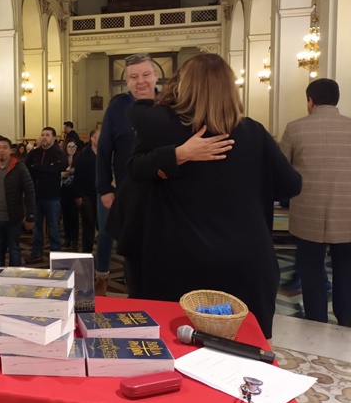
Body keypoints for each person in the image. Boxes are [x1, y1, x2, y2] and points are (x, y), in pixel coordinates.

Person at [127, 53, 302, 339]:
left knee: (176, 346)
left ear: (184, 87)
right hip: (245, 258)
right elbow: (291, 186)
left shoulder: (164, 130)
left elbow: (135, 166)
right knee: (243, 349)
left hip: (181, 258)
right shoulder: (254, 132)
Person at [280, 78, 351, 327]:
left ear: (310, 101)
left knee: (310, 271)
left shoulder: (295, 128)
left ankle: (316, 322)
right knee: (346, 271)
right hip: (347, 214)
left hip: (307, 214)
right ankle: (347, 322)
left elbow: (283, 171)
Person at [96, 53, 158, 294]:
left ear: (155, 76)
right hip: (127, 192)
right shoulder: (117, 108)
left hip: (163, 193)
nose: (140, 81)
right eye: (134, 77)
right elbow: (104, 150)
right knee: (131, 250)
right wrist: (104, 188)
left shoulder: (170, 104)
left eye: (146, 74)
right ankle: (136, 296)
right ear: (127, 81)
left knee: (160, 251)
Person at [0, 137, 35, 268]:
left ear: (10, 150)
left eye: (5, 148)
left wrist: (30, 216)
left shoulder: (19, 167)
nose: (1, 150)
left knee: (14, 249)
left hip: (13, 218)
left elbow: (30, 191)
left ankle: (14, 278)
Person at [25, 126, 64, 264]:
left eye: (47, 135)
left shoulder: (58, 153)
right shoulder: (34, 153)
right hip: (36, 195)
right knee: (37, 227)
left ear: (53, 138)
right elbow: (27, 170)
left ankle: (56, 256)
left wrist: (39, 168)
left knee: (53, 227)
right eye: (42, 135)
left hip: (52, 196)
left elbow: (56, 169)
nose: (44, 137)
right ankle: (36, 254)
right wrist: (44, 169)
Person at [73, 128, 99, 253]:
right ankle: (87, 252)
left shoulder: (104, 153)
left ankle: (102, 253)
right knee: (88, 225)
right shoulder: (83, 155)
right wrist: (77, 196)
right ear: (93, 139)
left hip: (100, 194)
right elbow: (78, 177)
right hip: (86, 195)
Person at [60, 140, 80, 249]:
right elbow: (58, 173)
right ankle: (67, 238)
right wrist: (66, 173)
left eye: (74, 146)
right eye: (69, 146)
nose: (72, 148)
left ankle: (75, 239)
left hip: (75, 190)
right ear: (66, 148)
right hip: (64, 191)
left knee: (74, 216)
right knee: (66, 215)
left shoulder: (78, 160)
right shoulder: (62, 160)